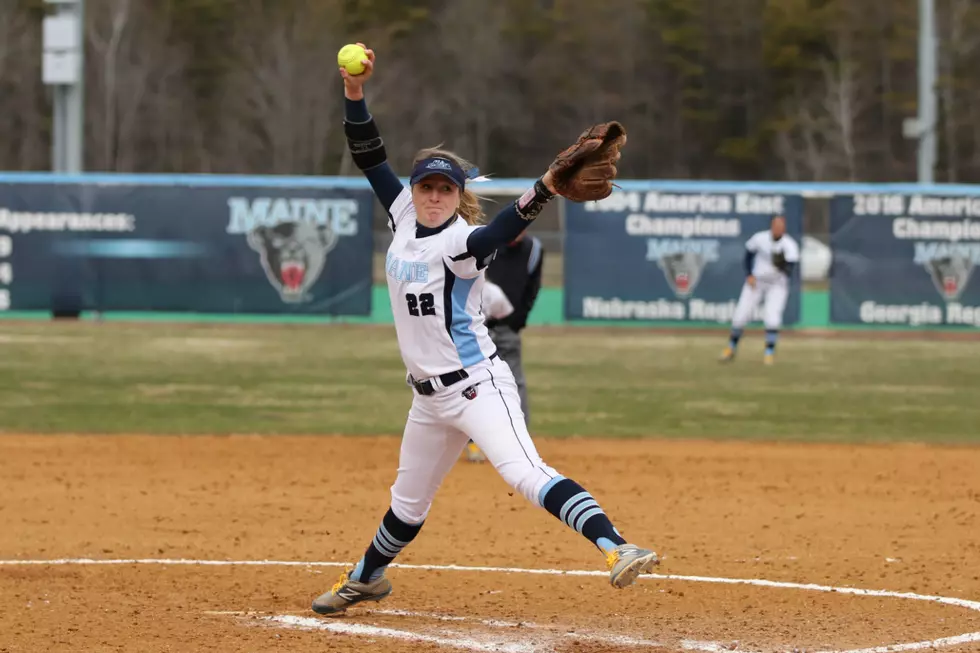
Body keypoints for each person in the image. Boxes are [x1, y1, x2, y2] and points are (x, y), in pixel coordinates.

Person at [312, 44, 658, 616]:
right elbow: (367, 153)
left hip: (476, 385)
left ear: (456, 198)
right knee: (408, 504)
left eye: (444, 190)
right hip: (427, 398)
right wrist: (354, 92)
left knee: (524, 472)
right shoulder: (401, 214)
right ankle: (366, 579)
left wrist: (544, 187)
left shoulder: (459, 242)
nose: (432, 196)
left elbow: (496, 233)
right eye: (426, 187)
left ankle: (618, 546)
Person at [466, 231, 544, 463]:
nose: (519, 230)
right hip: (478, 327)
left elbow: (533, 288)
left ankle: (519, 442)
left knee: (514, 383)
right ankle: (473, 442)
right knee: (473, 383)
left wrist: (517, 320)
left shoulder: (533, 249)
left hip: (509, 328)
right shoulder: (488, 241)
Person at [719, 215, 800, 365]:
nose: (778, 228)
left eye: (781, 226)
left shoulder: (789, 245)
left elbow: (790, 269)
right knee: (740, 316)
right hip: (756, 282)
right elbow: (748, 256)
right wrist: (749, 274)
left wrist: (781, 264)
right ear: (771, 226)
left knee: (772, 318)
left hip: (777, 284)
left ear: (784, 228)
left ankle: (769, 353)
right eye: (776, 225)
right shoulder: (760, 238)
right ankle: (731, 348)